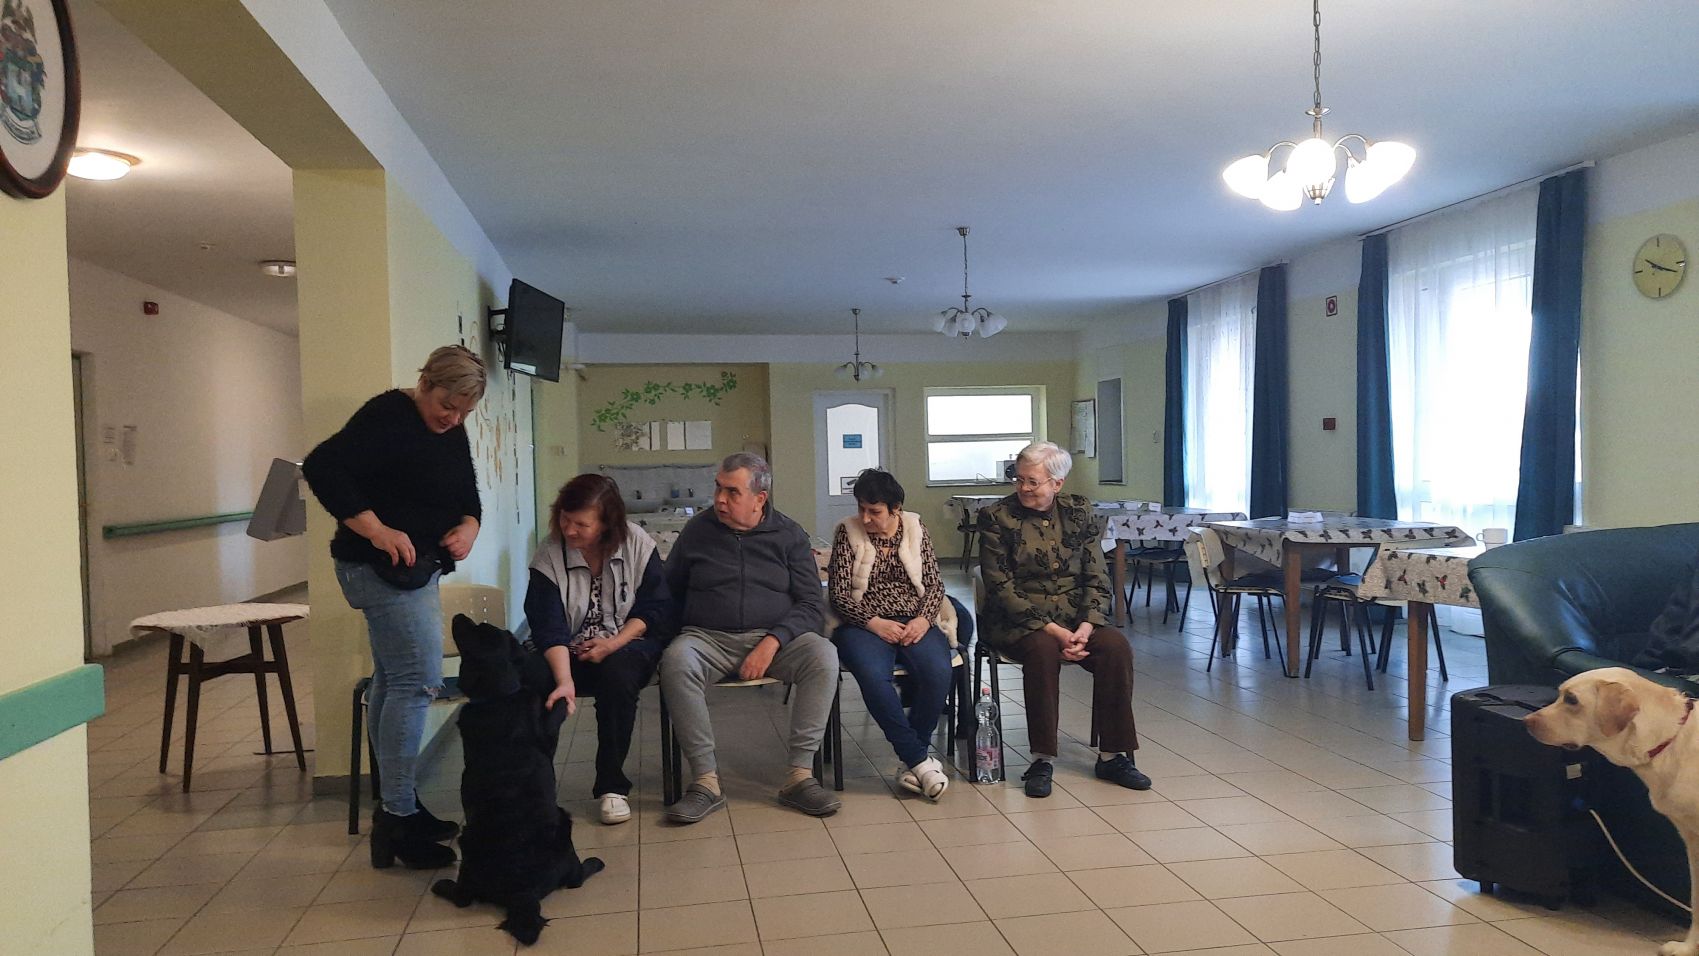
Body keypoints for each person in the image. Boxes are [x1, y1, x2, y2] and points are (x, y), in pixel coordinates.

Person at [302, 344, 485, 869]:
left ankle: (398, 807)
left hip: (418, 570)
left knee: (391, 681)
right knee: (417, 682)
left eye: (464, 413)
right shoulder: (388, 414)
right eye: (446, 406)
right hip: (379, 570)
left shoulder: (450, 429)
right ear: (425, 383)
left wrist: (469, 528)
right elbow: (322, 467)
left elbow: (467, 496)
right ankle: (397, 820)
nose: (452, 419)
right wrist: (376, 529)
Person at [661, 452, 841, 822]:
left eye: (732, 492)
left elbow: (811, 604)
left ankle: (799, 777)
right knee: (676, 660)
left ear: (760, 498)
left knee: (823, 655)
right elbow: (668, 593)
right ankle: (706, 782)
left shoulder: (789, 535)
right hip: (708, 639)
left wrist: (773, 641)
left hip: (776, 641)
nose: (719, 500)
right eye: (718, 489)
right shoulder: (697, 531)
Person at [977, 441, 1151, 798]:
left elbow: (1096, 575)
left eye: (1033, 481)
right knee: (1042, 650)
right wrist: (1056, 632)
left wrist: (1086, 626)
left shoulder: (1078, 511)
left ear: (1057, 483)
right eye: (1019, 479)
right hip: (1020, 621)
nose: (1023, 487)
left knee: (1115, 647)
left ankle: (1112, 755)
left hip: (1075, 619)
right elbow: (1000, 586)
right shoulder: (997, 517)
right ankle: (1041, 759)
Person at [524, 474, 675, 825]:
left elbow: (655, 608)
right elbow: (547, 625)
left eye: (581, 524)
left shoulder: (638, 544)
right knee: (533, 679)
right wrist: (564, 680)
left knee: (618, 675)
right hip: (566, 648)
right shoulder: (549, 553)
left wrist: (614, 643)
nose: (569, 530)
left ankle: (612, 786)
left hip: (626, 642)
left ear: (607, 523)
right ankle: (536, 791)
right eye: (565, 519)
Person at [827, 469, 955, 800]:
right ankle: (919, 760)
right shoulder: (847, 532)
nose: (865, 518)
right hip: (862, 622)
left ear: (896, 508)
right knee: (873, 677)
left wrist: (924, 620)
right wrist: (873, 622)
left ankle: (914, 759)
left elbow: (934, 584)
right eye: (861, 509)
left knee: (938, 672)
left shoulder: (915, 528)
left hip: (913, 618)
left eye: (875, 511)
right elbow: (839, 595)